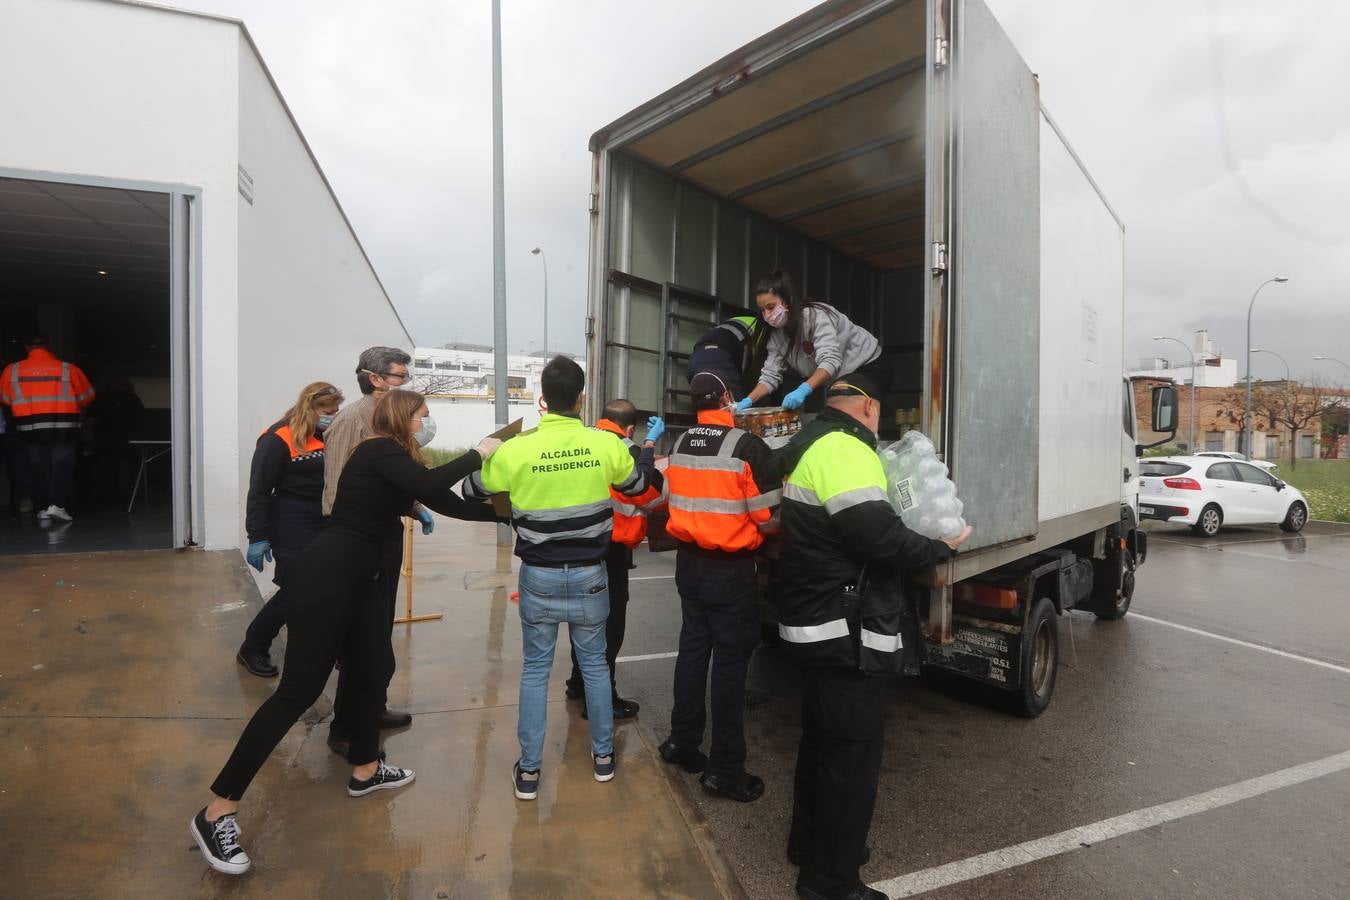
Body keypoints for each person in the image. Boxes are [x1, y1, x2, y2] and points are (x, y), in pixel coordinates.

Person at [190, 390, 502, 876]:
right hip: (327, 575)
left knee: (372, 667)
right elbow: (432, 479)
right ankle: (217, 810)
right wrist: (478, 453)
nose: (428, 421)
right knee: (298, 691)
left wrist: (514, 514)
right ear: (402, 417)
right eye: (423, 414)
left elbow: (446, 501)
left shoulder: (396, 460)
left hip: (360, 579)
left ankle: (365, 769)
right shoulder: (378, 449)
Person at [775, 373, 971, 900]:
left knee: (823, 743)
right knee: (850, 758)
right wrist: (942, 547)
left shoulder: (812, 444)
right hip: (844, 629)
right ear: (866, 406)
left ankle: (810, 845)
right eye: (878, 412)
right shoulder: (845, 449)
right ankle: (830, 882)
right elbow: (877, 536)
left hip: (817, 621)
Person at [461, 356, 661, 800]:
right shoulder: (604, 445)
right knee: (594, 666)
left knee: (535, 671)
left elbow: (471, 490)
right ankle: (604, 758)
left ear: (541, 401)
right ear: (582, 398)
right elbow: (638, 488)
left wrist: (486, 450)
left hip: (539, 577)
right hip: (592, 575)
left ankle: (529, 772)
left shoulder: (516, 450)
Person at [656, 370, 781, 803]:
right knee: (730, 665)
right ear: (728, 398)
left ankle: (682, 742)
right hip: (729, 570)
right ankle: (726, 769)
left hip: (689, 564)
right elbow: (771, 518)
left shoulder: (679, 444)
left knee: (693, 651)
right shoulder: (748, 448)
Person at [321, 347, 420, 756]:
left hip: (383, 535)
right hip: (358, 542)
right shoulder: (350, 420)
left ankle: (372, 708)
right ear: (375, 379)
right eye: (399, 377)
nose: (404, 384)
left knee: (378, 632)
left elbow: (388, 480)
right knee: (360, 638)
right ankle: (345, 730)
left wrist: (411, 504)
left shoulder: (384, 421)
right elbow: (335, 490)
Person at [563, 398, 667, 720]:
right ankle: (602, 698)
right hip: (611, 548)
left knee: (582, 618)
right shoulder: (627, 451)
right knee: (610, 625)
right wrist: (649, 448)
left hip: (576, 543)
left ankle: (578, 683)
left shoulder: (580, 441)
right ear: (631, 428)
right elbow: (652, 496)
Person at [235, 381, 344, 678]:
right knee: (297, 589)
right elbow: (258, 490)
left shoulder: (328, 434)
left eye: (336, 410)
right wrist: (257, 536)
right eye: (327, 410)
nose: (332, 415)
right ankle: (253, 646)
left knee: (330, 587)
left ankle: (331, 647)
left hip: (327, 517)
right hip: (292, 517)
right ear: (309, 405)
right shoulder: (277, 438)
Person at [736, 270, 885, 413]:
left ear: (787, 300)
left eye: (771, 307)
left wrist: (803, 390)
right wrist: (747, 401)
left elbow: (830, 360)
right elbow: (770, 375)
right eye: (763, 310)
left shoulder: (815, 317)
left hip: (869, 365)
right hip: (841, 378)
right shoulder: (776, 336)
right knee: (837, 412)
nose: (767, 315)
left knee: (847, 410)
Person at [0, 334, 95, 522]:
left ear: (27, 348)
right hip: (63, 426)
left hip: (29, 427)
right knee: (62, 465)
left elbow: (6, 399)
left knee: (37, 467)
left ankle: (43, 507)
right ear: (50, 347)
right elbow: (87, 396)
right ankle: (57, 505)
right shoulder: (69, 369)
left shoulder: (12, 370)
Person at [686, 315, 766, 399]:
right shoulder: (764, 331)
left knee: (705, 400)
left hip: (697, 357)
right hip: (719, 353)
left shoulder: (747, 323)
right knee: (734, 402)